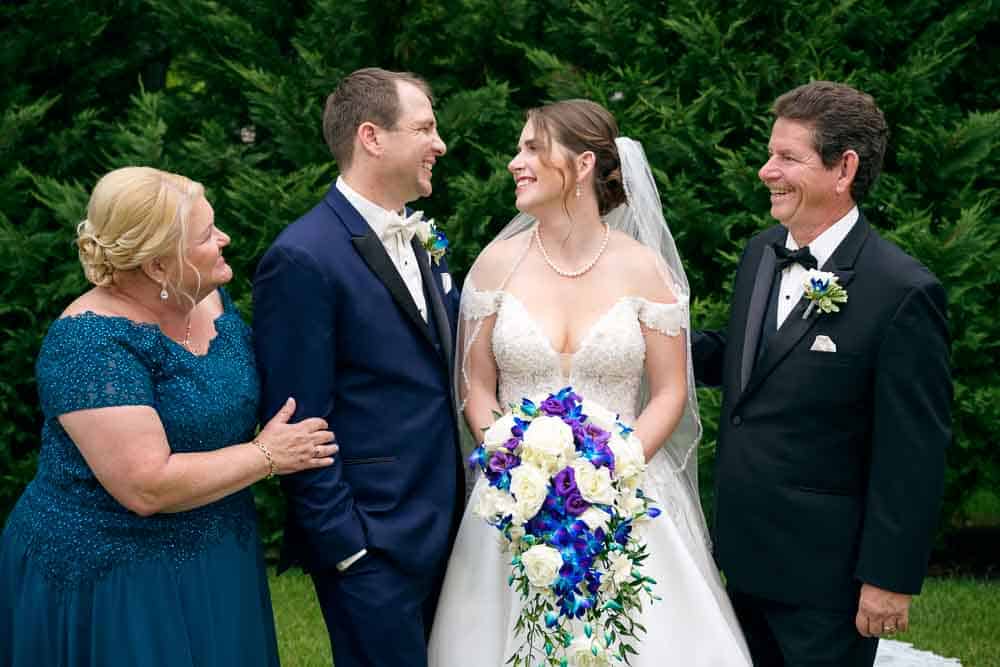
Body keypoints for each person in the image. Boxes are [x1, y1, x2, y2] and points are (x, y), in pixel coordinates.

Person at [428, 99, 751, 666]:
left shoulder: (644, 269)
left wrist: (614, 465)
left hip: (624, 494)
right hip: (515, 501)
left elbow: (672, 390)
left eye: (532, 147)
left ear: (581, 166)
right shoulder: (494, 265)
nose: (514, 161)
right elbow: (475, 386)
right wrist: (508, 456)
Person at [0, 166, 337, 667]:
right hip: (114, 576)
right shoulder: (90, 343)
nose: (224, 238)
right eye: (205, 235)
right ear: (159, 266)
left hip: (219, 550)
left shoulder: (208, 297)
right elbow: (146, 485)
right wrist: (268, 454)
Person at [693, 81, 951, 666]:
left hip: (826, 581)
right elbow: (749, 358)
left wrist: (890, 578)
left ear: (844, 169)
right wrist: (640, 338)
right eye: (769, 153)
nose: (766, 171)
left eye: (787, 157)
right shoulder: (761, 253)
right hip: (740, 557)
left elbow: (913, 451)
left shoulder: (902, 291)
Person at [252, 68, 463, 667]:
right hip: (374, 543)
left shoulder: (423, 240)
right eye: (425, 127)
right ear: (372, 137)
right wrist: (347, 549)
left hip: (445, 526)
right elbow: (296, 417)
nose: (440, 144)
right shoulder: (302, 257)